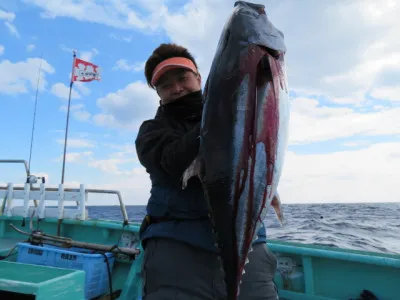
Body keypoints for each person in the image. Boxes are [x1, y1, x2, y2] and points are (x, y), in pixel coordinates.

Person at [135, 43, 278, 300]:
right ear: (158, 94)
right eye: (166, 85)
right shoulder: (151, 131)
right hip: (177, 243)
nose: (177, 88)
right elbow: (172, 161)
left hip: (249, 242)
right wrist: (216, 114)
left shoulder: (238, 110)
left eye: (182, 78)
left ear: (199, 78)